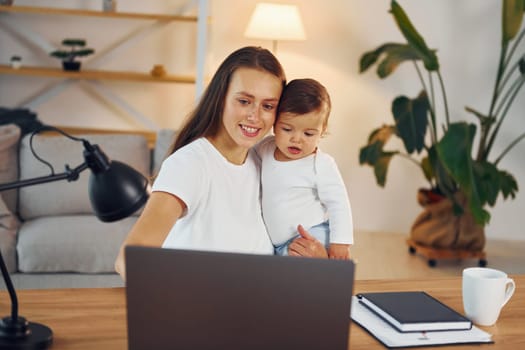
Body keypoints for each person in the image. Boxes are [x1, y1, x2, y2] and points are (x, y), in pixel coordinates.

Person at [115, 47, 328, 280]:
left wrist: (319, 261)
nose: (255, 116)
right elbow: (129, 259)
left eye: (268, 106)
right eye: (244, 101)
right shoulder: (191, 164)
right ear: (221, 98)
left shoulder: (263, 162)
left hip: (261, 303)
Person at [255, 78, 354, 259]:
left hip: (311, 235)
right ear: (275, 125)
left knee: (300, 278)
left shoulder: (321, 164)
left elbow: (338, 203)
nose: (297, 139)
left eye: (308, 133)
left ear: (322, 131)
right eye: (287, 129)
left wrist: (340, 242)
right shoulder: (265, 148)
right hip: (279, 244)